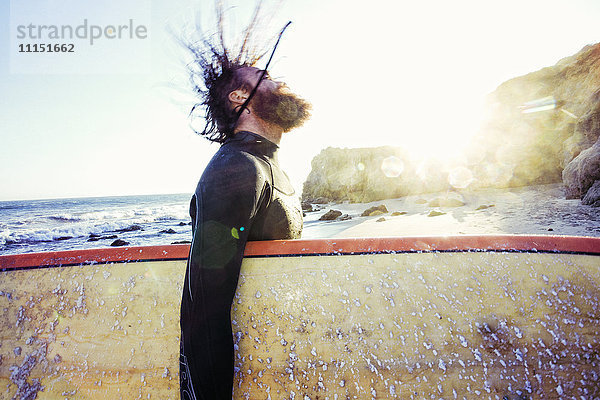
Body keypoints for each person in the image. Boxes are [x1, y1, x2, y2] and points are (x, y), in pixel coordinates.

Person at [178, 29, 312, 399]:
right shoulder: (236, 168)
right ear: (241, 98)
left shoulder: (267, 166)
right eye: (265, 78)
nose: (278, 81)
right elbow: (201, 311)